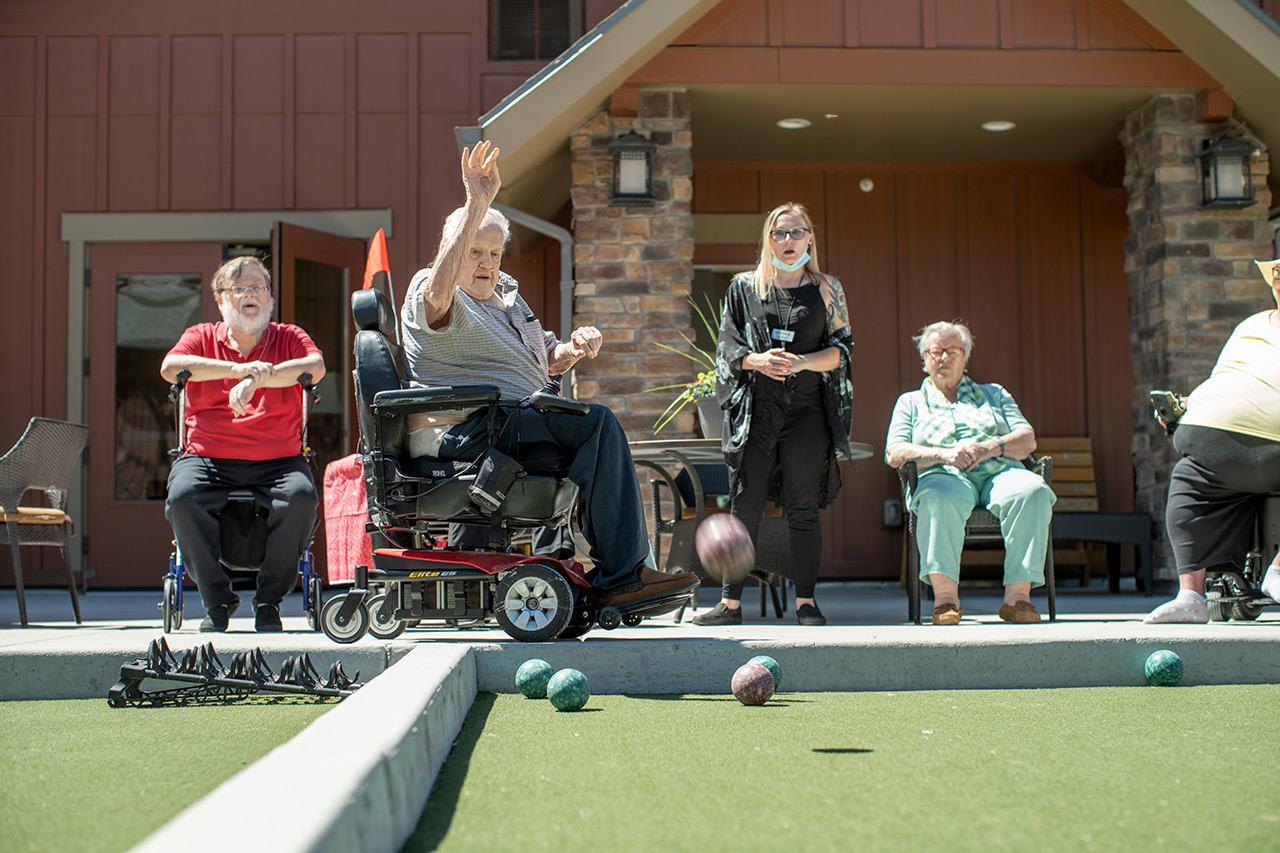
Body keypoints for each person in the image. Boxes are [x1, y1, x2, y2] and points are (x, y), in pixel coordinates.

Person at [400, 140, 697, 611]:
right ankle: (622, 576)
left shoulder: (507, 298)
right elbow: (438, 298)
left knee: (593, 429)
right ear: (448, 251)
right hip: (472, 430)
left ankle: (613, 571)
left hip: (512, 422)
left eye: (494, 253)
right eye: (474, 251)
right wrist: (476, 205)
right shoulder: (431, 289)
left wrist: (570, 351)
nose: (486, 263)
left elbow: (542, 360)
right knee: (596, 424)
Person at [691, 203, 854, 627]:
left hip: (807, 412)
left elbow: (842, 352)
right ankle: (729, 605)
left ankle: (806, 603)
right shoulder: (744, 287)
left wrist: (800, 363)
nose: (787, 241)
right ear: (768, 239)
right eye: (779, 234)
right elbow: (726, 347)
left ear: (810, 238)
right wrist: (756, 361)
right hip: (757, 412)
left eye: (795, 233)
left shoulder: (827, 288)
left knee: (802, 506)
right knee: (745, 505)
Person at [161, 256, 325, 632]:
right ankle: (218, 602)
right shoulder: (202, 336)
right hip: (207, 457)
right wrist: (236, 371)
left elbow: (315, 366)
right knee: (182, 498)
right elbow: (171, 367)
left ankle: (269, 601)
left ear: (269, 298)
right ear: (221, 299)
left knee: (301, 497)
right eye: (240, 288)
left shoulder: (287, 337)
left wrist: (257, 381)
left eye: (258, 288)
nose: (251, 295)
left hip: (279, 459)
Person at [884, 321, 1055, 625]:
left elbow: (1027, 440)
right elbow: (894, 453)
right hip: (942, 474)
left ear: (965, 357)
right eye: (935, 351)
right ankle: (946, 600)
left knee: (1033, 491)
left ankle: (1018, 598)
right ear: (924, 359)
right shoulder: (910, 402)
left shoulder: (994, 394)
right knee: (937, 496)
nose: (943, 357)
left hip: (998, 471)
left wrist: (989, 447)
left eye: (952, 350)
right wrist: (943, 454)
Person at [1145, 258, 1280, 623]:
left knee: (1191, 482)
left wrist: (1187, 405)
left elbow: (1226, 380)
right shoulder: (1252, 324)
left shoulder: (1250, 325)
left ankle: (1190, 595)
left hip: (1204, 429)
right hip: (1267, 438)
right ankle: (1279, 572)